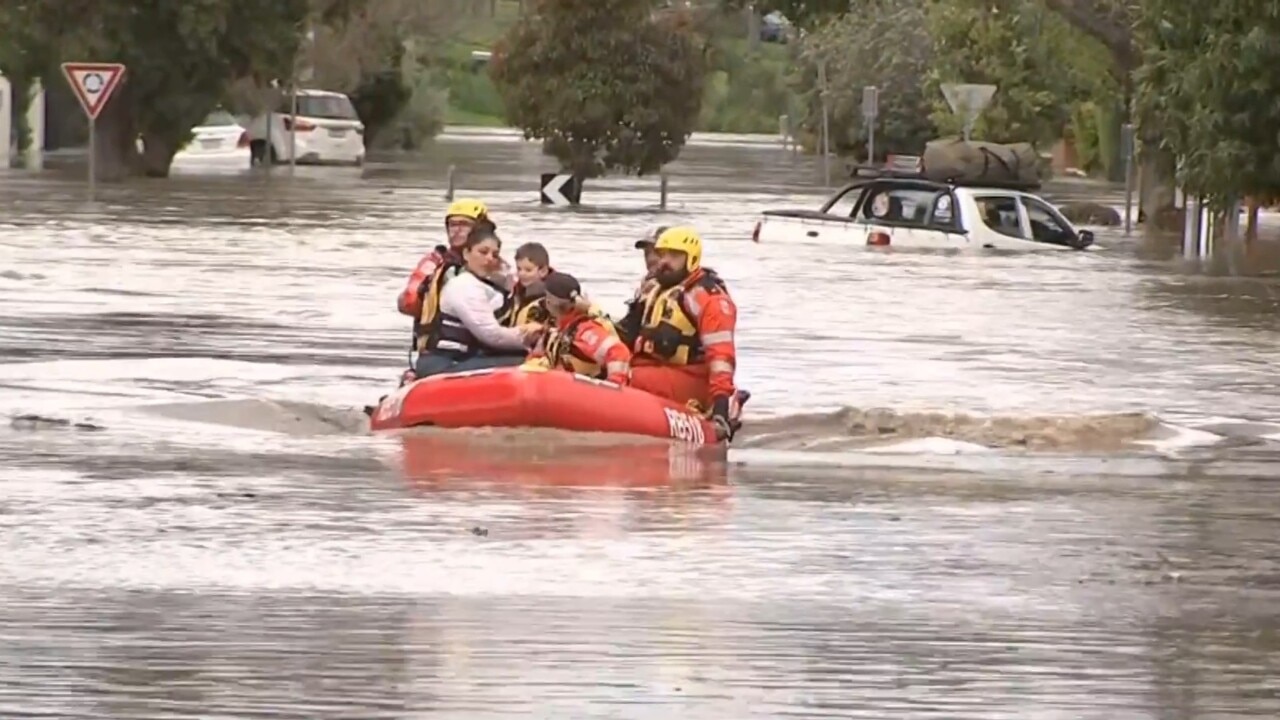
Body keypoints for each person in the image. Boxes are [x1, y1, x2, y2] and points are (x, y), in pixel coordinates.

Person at [628, 226, 740, 440]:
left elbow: (721, 358)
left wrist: (720, 410)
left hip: (690, 378)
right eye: (661, 255)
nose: (664, 262)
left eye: (674, 256)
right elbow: (627, 334)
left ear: (691, 259)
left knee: (626, 378)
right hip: (655, 369)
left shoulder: (707, 298)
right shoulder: (657, 290)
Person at [414, 226, 542, 378]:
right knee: (528, 363)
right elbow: (492, 335)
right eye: (483, 252)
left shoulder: (493, 286)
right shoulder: (463, 285)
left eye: (494, 254)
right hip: (446, 363)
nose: (489, 258)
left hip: (469, 359)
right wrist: (534, 336)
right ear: (466, 254)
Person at [525, 272, 632, 385]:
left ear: (550, 301)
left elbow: (618, 351)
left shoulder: (584, 330)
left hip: (582, 393)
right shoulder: (555, 328)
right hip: (556, 388)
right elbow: (537, 355)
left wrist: (614, 385)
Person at [397, 198, 495, 319]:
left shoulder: (496, 264)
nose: (457, 230)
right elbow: (408, 303)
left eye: (464, 224)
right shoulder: (435, 261)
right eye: (453, 224)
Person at [616, 226, 666, 348]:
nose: (651, 258)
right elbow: (628, 328)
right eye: (647, 253)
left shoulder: (681, 291)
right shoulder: (646, 287)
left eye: (658, 252)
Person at [507, 242, 554, 329]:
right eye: (519, 269)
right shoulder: (517, 291)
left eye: (528, 270)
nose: (521, 274)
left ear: (543, 271)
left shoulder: (552, 297)